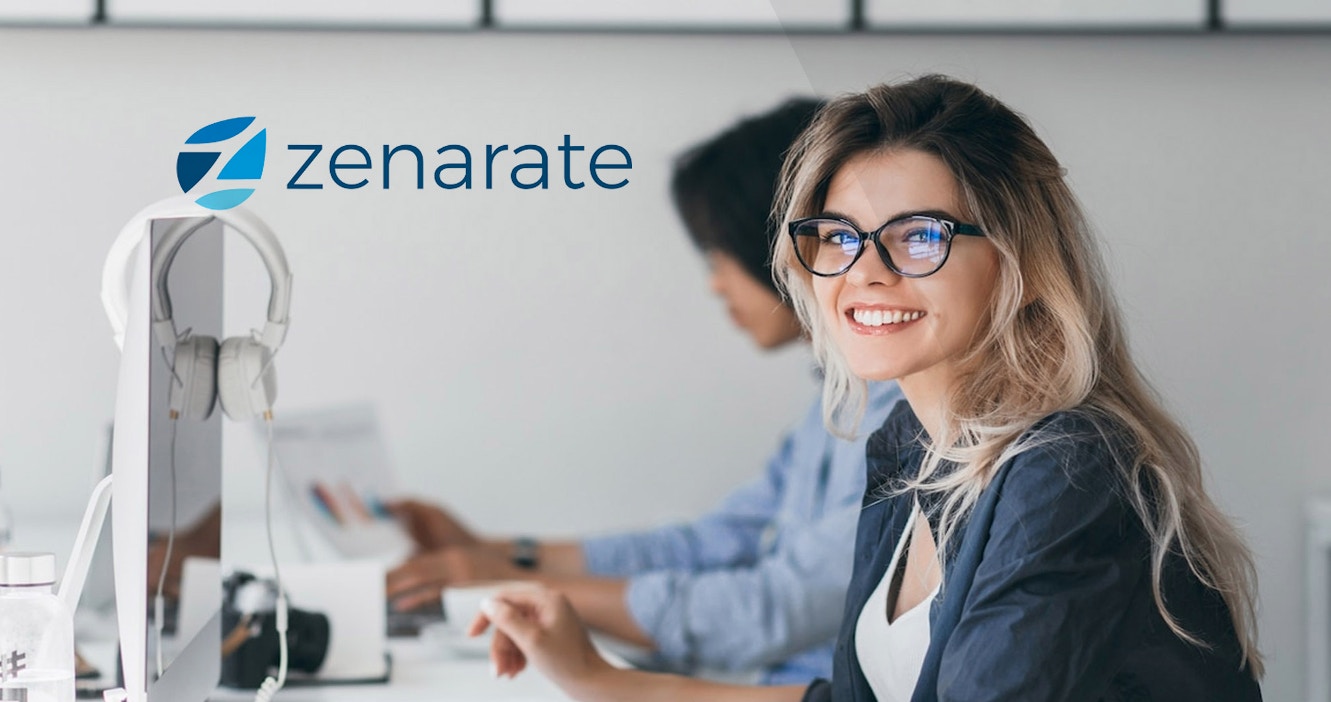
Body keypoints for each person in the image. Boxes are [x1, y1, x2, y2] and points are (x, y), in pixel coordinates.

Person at [465, 75, 1265, 701]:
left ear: (1022, 264)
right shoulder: (908, 444)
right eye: (838, 237)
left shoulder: (1065, 468)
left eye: (919, 236)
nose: (864, 271)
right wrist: (599, 680)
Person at [386, 98, 904, 684]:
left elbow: (772, 608)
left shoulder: (905, 415)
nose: (714, 283)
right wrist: (504, 555)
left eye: (719, 253)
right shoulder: (837, 401)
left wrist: (516, 586)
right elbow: (715, 541)